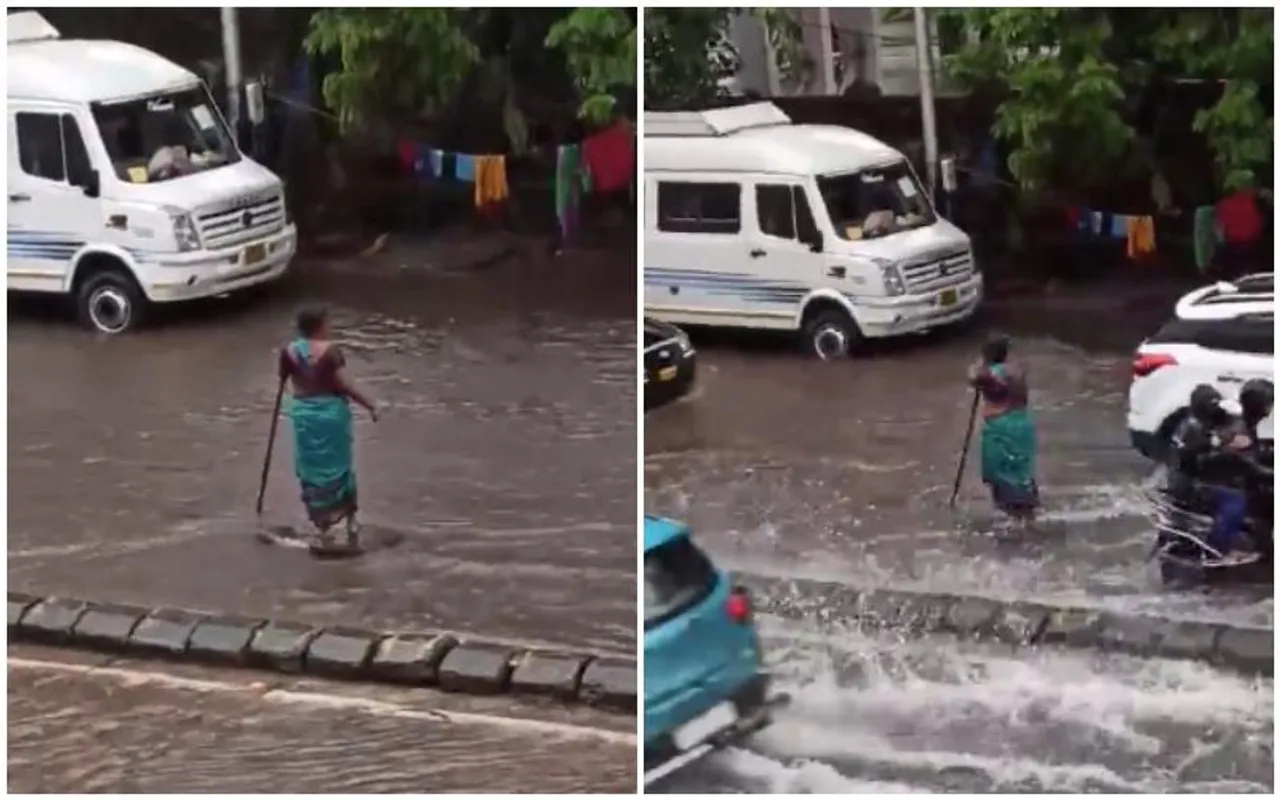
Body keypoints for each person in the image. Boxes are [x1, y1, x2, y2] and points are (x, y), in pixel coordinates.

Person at [277, 307, 379, 547]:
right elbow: (344, 385)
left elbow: (283, 379)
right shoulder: (331, 352)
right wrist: (370, 405)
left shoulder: (289, 352)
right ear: (320, 325)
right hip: (331, 414)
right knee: (340, 466)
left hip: (305, 414)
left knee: (312, 468)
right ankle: (351, 520)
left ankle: (322, 526)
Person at [1167, 384, 1255, 562]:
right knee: (1234, 502)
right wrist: (1228, 448)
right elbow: (1202, 457)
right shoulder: (1193, 428)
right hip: (1190, 484)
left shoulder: (1194, 422)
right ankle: (1217, 549)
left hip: (1186, 477)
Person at [968, 334, 1039, 526]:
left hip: (1000, 427)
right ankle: (1028, 516)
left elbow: (974, 376)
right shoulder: (1017, 370)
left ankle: (1014, 521)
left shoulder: (990, 374)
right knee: (1021, 472)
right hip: (1022, 424)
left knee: (1000, 474)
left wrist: (981, 362)